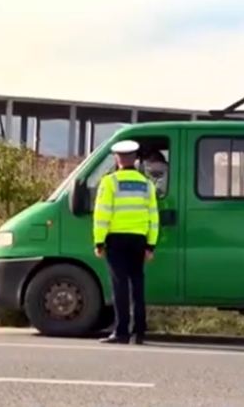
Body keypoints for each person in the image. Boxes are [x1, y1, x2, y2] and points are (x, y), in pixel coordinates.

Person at [93, 140, 160, 345]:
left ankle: (121, 331)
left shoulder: (110, 182)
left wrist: (99, 241)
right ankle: (140, 331)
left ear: (117, 158)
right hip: (139, 239)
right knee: (137, 284)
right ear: (135, 159)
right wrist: (151, 245)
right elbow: (153, 216)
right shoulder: (146, 183)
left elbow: (102, 214)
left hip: (117, 239)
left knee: (120, 285)